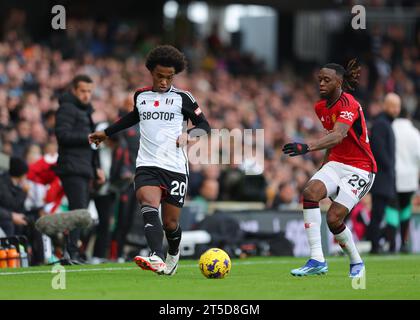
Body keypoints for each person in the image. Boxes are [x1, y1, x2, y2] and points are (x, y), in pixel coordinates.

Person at [89, 45, 211, 275]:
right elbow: (134, 117)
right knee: (147, 201)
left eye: (169, 77)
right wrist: (107, 132)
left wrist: (189, 135)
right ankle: (155, 255)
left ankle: (172, 253)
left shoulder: (183, 98)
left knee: (171, 224)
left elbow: (205, 126)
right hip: (147, 164)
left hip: (174, 166)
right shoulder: (141, 96)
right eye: (159, 76)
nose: (164, 81)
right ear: (151, 72)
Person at [283, 59, 377, 278]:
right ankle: (317, 259)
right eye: (319, 80)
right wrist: (324, 167)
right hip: (336, 163)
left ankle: (356, 262)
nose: (321, 84)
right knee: (309, 192)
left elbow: (338, 135)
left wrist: (306, 147)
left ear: (339, 82)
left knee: (334, 219)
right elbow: (331, 140)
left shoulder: (349, 104)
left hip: (361, 168)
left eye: (327, 80)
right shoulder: (320, 107)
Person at [54, 75, 105, 264]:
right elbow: (62, 135)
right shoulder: (67, 108)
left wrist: (97, 168)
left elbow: (92, 145)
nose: (86, 95)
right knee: (78, 212)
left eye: (89, 91)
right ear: (74, 90)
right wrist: (88, 137)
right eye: (83, 91)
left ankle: (73, 251)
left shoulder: (84, 111)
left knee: (81, 212)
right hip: (72, 167)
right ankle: (70, 252)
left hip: (83, 168)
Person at [368, 93, 400, 254]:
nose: (397, 110)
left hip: (387, 178)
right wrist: (389, 167)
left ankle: (382, 242)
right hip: (382, 178)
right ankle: (374, 245)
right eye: (394, 106)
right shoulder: (381, 123)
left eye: (398, 107)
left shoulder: (385, 123)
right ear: (386, 106)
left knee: (385, 214)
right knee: (377, 214)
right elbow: (379, 150)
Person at [384, 107, 420, 253]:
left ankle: (392, 244)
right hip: (410, 179)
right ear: (409, 117)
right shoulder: (414, 133)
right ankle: (404, 243)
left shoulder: (390, 128)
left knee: (392, 209)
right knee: (405, 210)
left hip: (393, 178)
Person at [0, 157, 29, 236]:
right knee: (9, 225)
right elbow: (11, 204)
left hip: (8, 214)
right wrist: (23, 192)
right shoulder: (3, 183)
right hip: (5, 217)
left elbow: (19, 208)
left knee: (30, 222)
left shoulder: (14, 184)